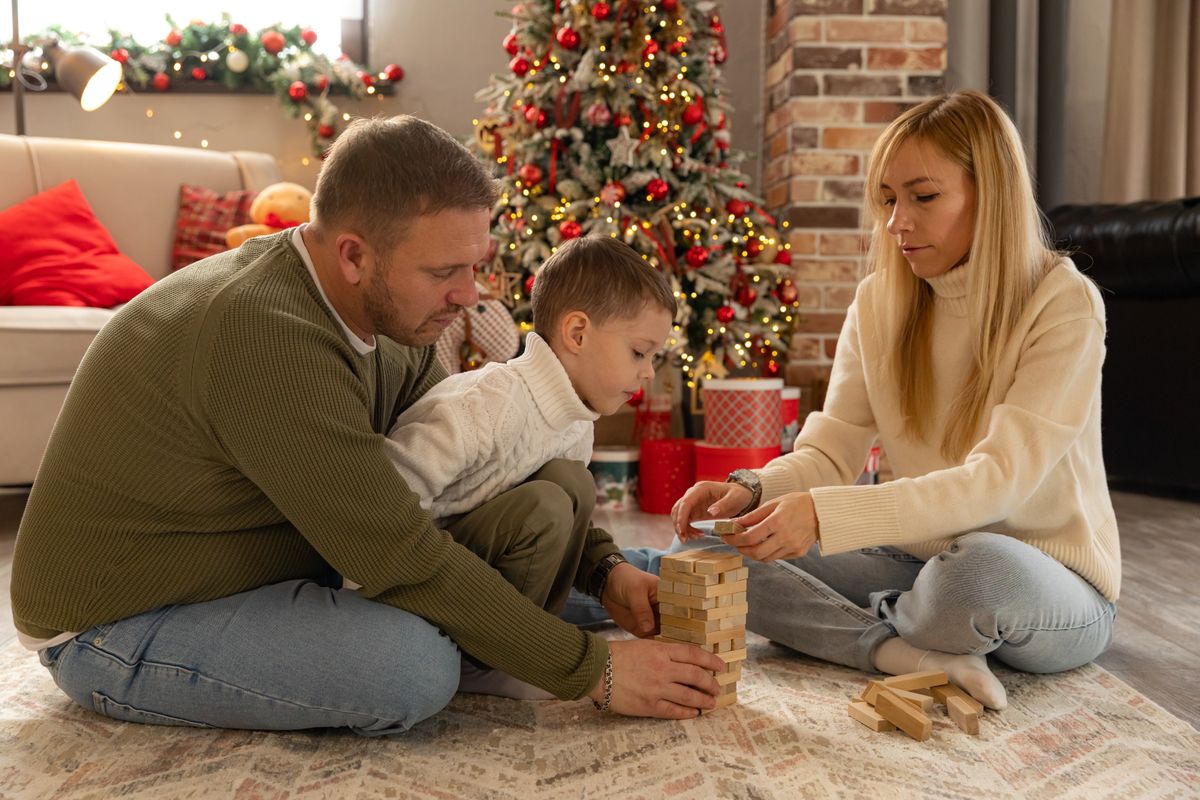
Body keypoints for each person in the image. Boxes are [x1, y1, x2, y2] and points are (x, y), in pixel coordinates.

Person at [10, 115, 725, 733]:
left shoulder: (392, 319)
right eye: (445, 270)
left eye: (475, 267)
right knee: (409, 670)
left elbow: (483, 458)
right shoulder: (263, 335)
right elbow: (399, 553)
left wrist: (604, 572)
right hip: (125, 617)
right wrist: (592, 671)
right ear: (354, 254)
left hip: (291, 558)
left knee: (529, 558)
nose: (469, 297)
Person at [662, 90, 1119, 711]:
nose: (897, 222)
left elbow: (999, 484)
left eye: (923, 197)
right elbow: (830, 450)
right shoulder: (880, 300)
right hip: (914, 560)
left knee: (974, 574)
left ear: (991, 192)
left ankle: (892, 619)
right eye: (887, 200)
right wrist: (753, 490)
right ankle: (903, 648)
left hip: (1044, 579)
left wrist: (825, 518)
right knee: (706, 550)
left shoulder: (1063, 303)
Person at [382, 235, 676, 695]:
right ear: (577, 334)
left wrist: (610, 569)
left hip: (485, 571)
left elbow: (571, 528)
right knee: (545, 504)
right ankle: (485, 658)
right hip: (420, 581)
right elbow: (386, 499)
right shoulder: (488, 404)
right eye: (640, 352)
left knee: (570, 484)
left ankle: (522, 635)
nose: (648, 372)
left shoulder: (577, 419)